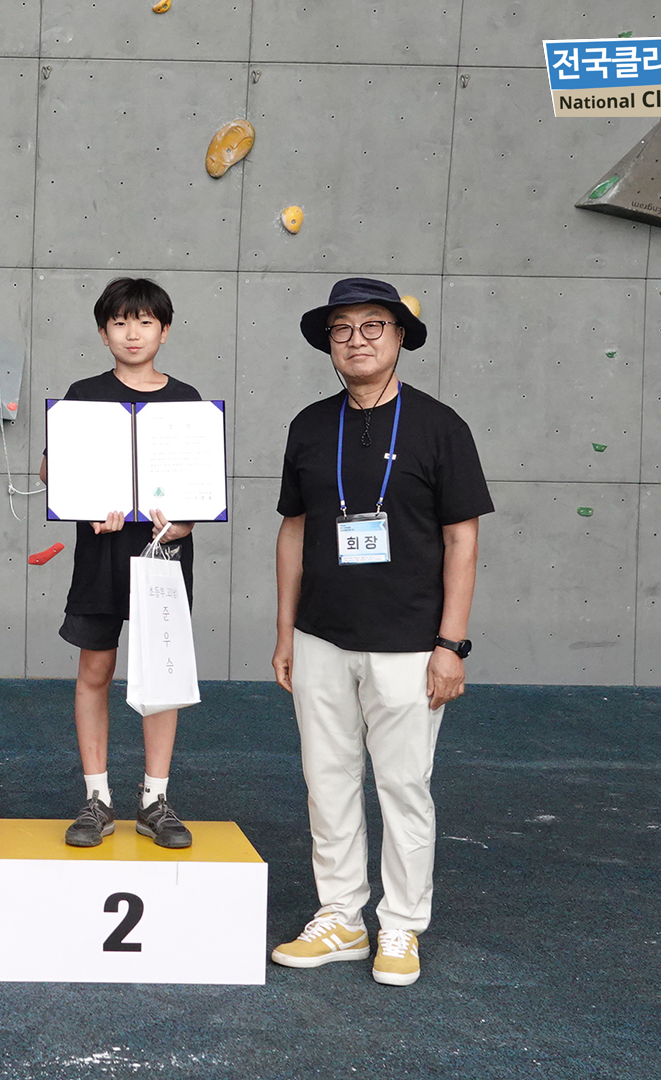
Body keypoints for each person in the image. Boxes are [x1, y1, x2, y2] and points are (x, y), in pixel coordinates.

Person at [268, 277, 494, 985]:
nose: (356, 340)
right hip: (320, 638)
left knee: (403, 787)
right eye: (342, 329)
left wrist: (451, 644)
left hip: (411, 644)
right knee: (327, 782)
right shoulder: (310, 425)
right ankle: (341, 917)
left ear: (400, 337)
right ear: (328, 344)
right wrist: (286, 632)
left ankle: (400, 926)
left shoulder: (439, 426)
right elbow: (293, 531)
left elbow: (462, 540)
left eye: (373, 326)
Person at [39, 277, 200, 849]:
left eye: (146, 322)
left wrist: (185, 523)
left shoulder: (186, 400)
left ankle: (155, 800)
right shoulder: (83, 395)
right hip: (101, 550)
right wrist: (85, 503)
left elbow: (199, 485)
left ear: (165, 330)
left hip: (164, 552)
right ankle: (97, 798)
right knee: (95, 671)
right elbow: (50, 472)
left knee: (161, 676)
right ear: (103, 332)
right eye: (120, 322)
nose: (133, 333)